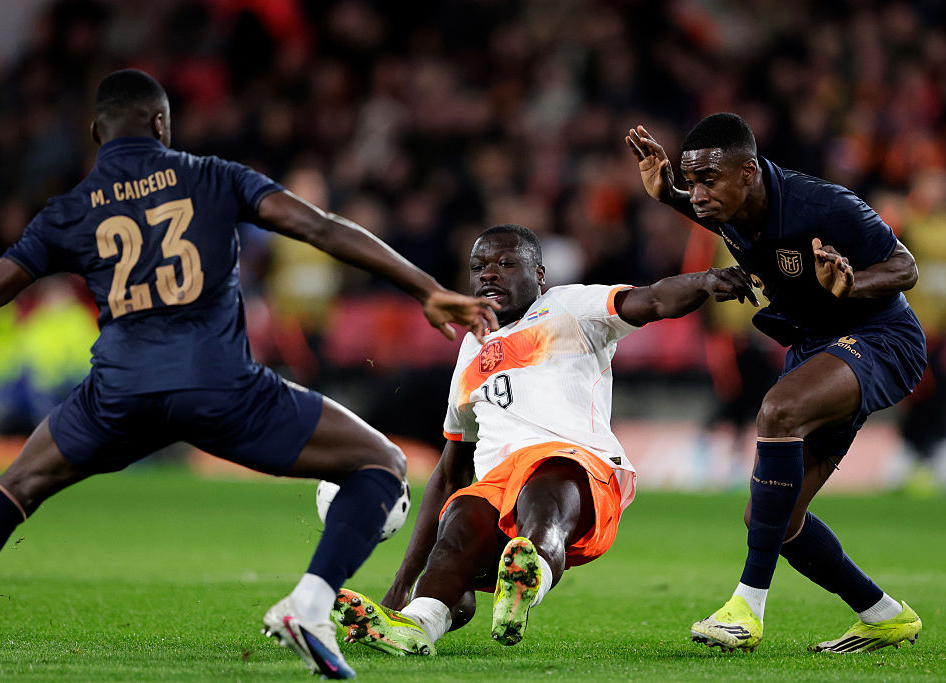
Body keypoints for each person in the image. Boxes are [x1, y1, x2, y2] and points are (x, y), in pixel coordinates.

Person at [0, 69, 499, 680]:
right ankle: (309, 605)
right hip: (220, 387)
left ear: (95, 133)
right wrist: (426, 288)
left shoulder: (69, 210)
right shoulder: (214, 176)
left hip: (117, 394)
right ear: (161, 125)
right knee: (380, 463)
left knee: (14, 489)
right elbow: (320, 226)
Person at [326, 223, 758, 655]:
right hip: (499, 487)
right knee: (460, 518)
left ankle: (526, 577)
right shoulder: (470, 350)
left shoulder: (569, 306)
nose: (489, 273)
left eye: (505, 263)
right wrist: (401, 585)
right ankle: (419, 623)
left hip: (577, 467)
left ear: (539, 274)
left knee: (543, 491)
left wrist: (704, 281)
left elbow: (655, 299)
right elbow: (449, 472)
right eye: (478, 266)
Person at [626, 113, 926, 653]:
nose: (698, 196)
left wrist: (852, 285)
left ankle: (746, 608)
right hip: (818, 345)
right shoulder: (729, 206)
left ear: (748, 172)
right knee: (774, 519)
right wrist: (668, 193)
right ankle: (883, 614)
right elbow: (707, 208)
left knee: (778, 409)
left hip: (881, 336)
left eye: (707, 180)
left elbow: (905, 269)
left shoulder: (825, 206)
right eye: (691, 182)